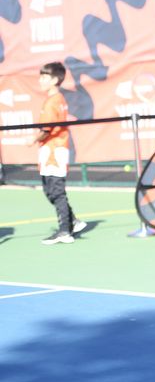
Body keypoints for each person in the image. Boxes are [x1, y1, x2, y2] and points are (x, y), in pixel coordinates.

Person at [35, 61, 85, 245]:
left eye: (44, 77)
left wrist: (32, 139)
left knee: (56, 191)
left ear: (55, 80)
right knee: (50, 191)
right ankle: (73, 222)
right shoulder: (56, 99)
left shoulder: (53, 101)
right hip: (52, 150)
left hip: (54, 152)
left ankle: (65, 231)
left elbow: (46, 130)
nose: (40, 80)